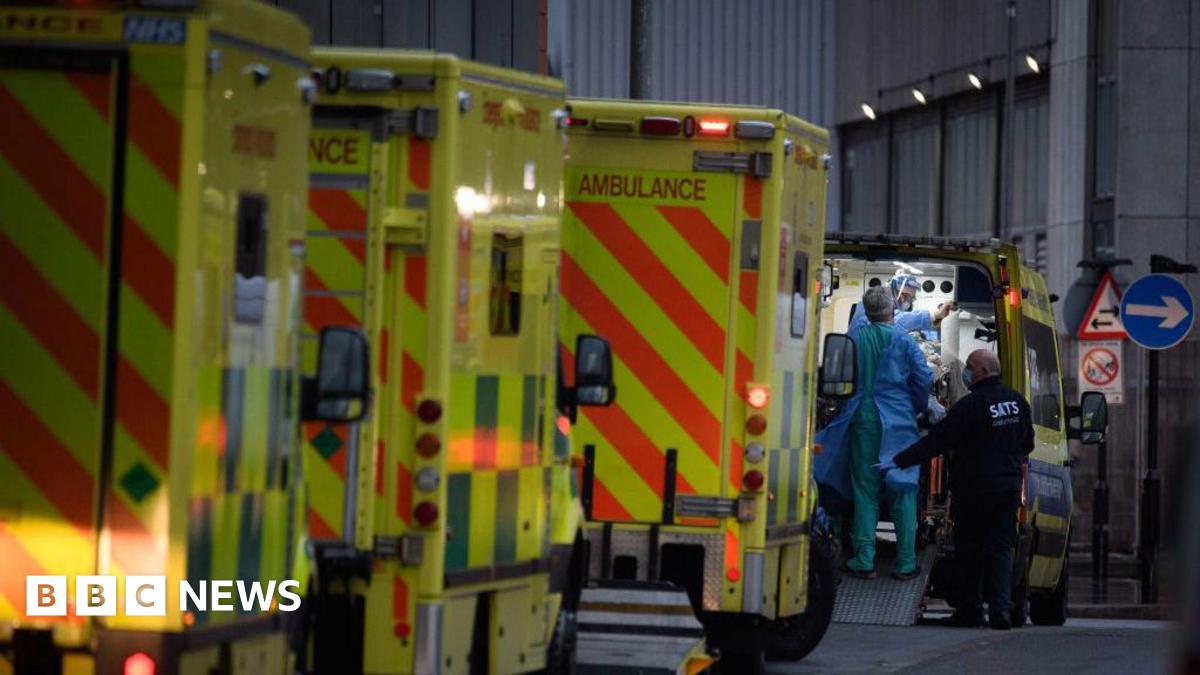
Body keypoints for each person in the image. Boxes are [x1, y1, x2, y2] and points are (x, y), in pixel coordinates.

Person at [878, 349, 1034, 630]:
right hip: (1007, 489)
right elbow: (1028, 444)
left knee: (970, 550)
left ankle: (971, 610)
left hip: (974, 490)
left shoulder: (970, 407)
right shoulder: (1017, 402)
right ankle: (1001, 612)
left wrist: (898, 461)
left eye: (971, 367)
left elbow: (936, 441)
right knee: (1000, 550)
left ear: (984, 372)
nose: (967, 371)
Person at [814, 286, 932, 580]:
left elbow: (838, 378)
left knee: (864, 490)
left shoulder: (853, 339)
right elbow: (923, 379)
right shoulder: (905, 342)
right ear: (893, 310)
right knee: (903, 489)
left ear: (865, 310)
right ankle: (905, 563)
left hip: (862, 420)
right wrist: (915, 408)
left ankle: (864, 559)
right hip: (900, 423)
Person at [848, 272, 956, 335]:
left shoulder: (884, 304)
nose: (909, 301)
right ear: (898, 293)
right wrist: (937, 314)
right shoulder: (874, 303)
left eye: (912, 298)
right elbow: (897, 320)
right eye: (907, 297)